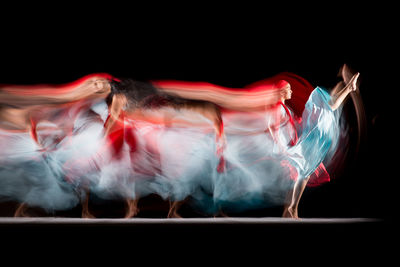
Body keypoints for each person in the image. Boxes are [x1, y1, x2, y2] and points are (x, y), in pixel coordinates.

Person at [282, 69, 360, 218]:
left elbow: (332, 103)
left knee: (301, 173)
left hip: (314, 127)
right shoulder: (322, 106)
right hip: (314, 130)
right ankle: (291, 208)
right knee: (302, 173)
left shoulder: (322, 107)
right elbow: (332, 104)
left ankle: (290, 209)